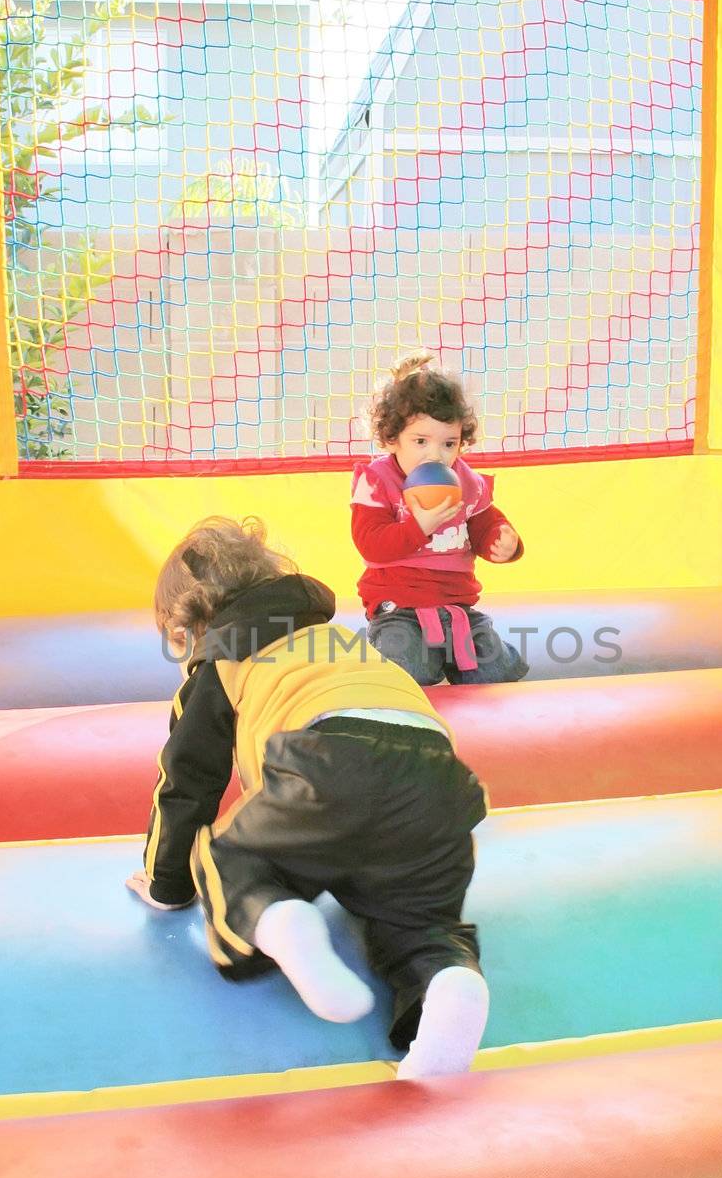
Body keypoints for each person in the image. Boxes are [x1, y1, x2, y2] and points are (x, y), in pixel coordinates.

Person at [125, 514, 490, 1079]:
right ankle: (446, 981)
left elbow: (188, 784)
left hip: (326, 758)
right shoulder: (341, 639)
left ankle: (279, 919)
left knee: (229, 859)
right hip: (440, 777)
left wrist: (165, 883)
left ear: (189, 625)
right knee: (417, 918)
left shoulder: (222, 661)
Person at [351, 349, 529, 685]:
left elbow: (484, 523)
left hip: (457, 608)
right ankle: (384, 652)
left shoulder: (465, 480)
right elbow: (370, 545)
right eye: (421, 441)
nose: (437, 454)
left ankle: (464, 655)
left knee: (495, 672)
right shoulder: (378, 481)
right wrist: (418, 527)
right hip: (399, 608)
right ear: (392, 439)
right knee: (408, 670)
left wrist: (503, 541)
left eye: (449, 443)